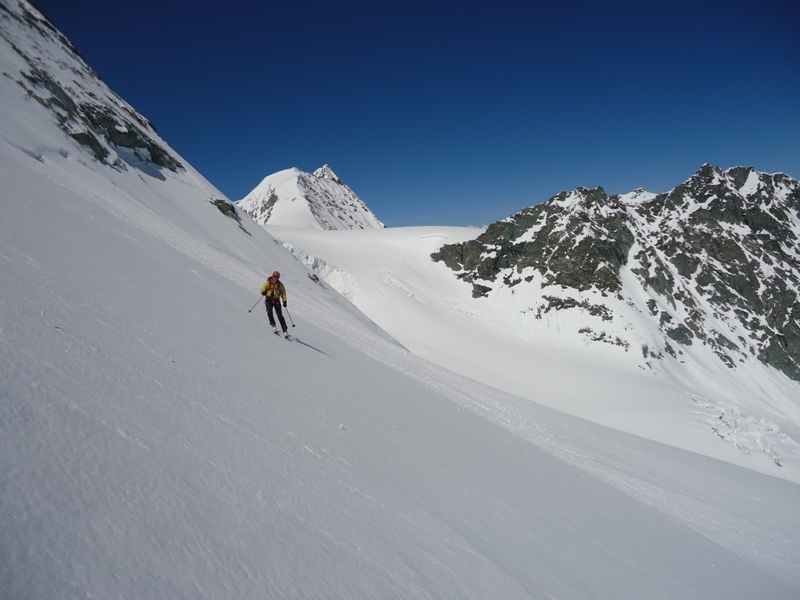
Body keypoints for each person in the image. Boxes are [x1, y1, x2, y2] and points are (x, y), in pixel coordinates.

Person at [260, 270, 288, 336]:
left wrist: (284, 301)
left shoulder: (280, 285)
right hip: (268, 299)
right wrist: (263, 292)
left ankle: (284, 329)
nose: (276, 278)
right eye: (275, 277)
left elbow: (283, 293)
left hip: (276, 300)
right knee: (269, 311)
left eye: (277, 277)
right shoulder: (268, 283)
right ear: (273, 276)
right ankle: (273, 324)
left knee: (279, 315)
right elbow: (262, 289)